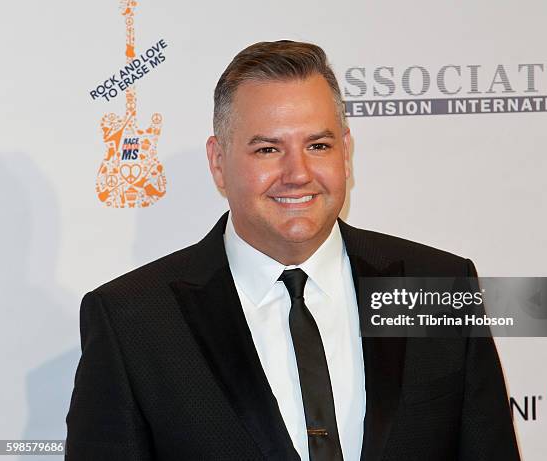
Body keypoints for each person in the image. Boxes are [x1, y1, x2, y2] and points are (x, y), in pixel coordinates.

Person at [66, 40, 520, 460]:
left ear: (345, 152)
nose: (298, 173)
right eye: (267, 149)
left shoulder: (437, 285)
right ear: (219, 163)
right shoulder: (132, 320)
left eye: (318, 145)